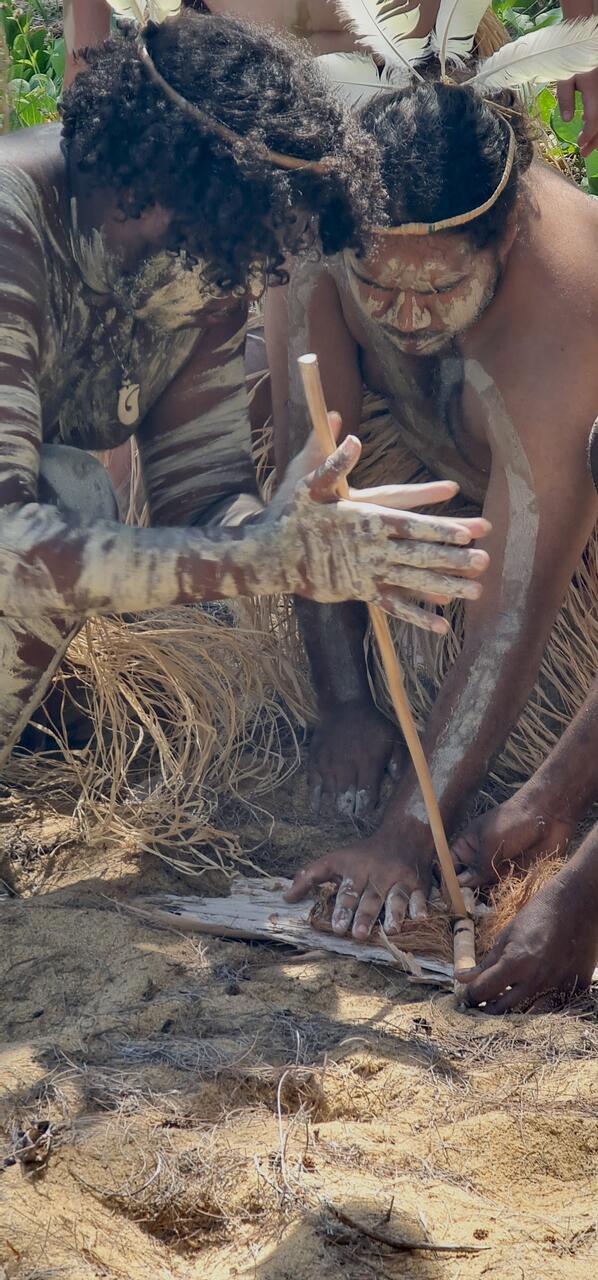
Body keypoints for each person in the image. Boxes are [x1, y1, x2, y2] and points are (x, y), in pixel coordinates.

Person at [0, 9, 489, 769]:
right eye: (230, 252)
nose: (238, 286)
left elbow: (202, 502)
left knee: (83, 505)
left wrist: (302, 526)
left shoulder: (205, 265)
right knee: (68, 498)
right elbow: (7, 552)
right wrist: (260, 558)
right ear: (148, 195)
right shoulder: (11, 225)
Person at [272, 73, 598, 949]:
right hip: (429, 464)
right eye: (379, 292)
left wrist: (405, 836)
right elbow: (314, 479)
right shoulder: (323, 233)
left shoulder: (564, 304)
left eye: (440, 290)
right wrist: (342, 700)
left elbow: (513, 606)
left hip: (561, 527)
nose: (408, 319)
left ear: (505, 241)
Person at [63, 1, 598, 152]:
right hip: (251, 137)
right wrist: (84, 84)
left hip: (432, 113)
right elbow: (85, 60)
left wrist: (583, 28)